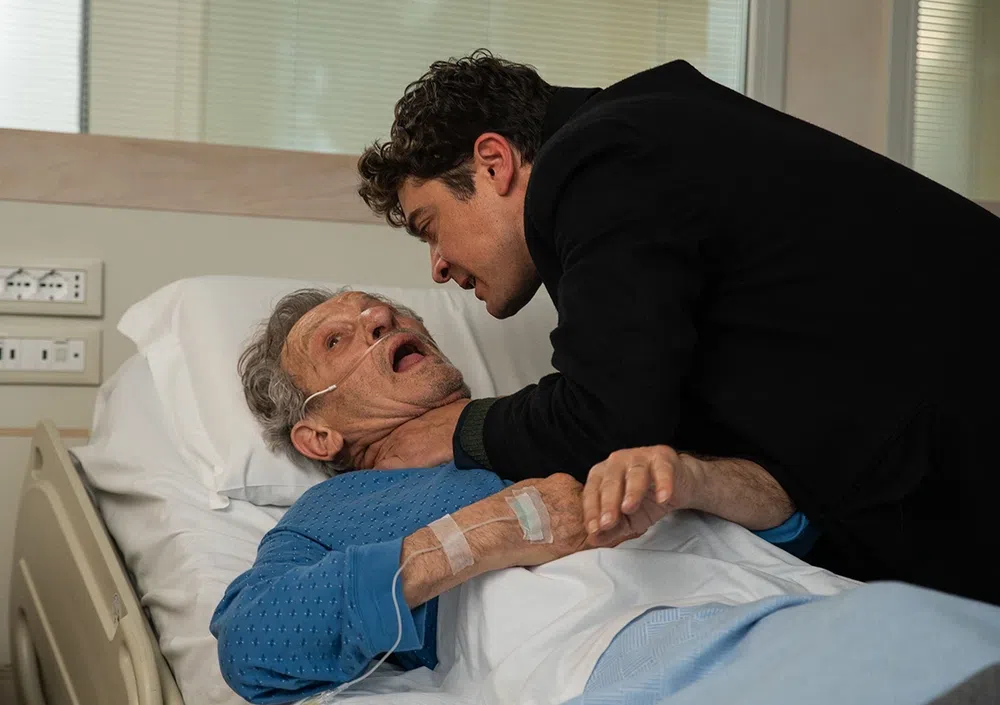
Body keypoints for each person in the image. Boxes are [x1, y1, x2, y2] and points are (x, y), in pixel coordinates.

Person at [356, 51, 1000, 605]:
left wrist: (461, 428)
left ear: (494, 162)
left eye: (429, 227)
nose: (437, 265)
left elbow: (605, 418)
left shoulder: (599, 160)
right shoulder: (655, 126)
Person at [209, 288, 817, 703]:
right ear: (318, 436)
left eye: (383, 311)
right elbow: (253, 643)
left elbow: (794, 523)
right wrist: (484, 533)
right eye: (335, 342)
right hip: (637, 654)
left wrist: (692, 478)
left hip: (795, 599)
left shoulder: (562, 416)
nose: (382, 319)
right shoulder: (332, 511)